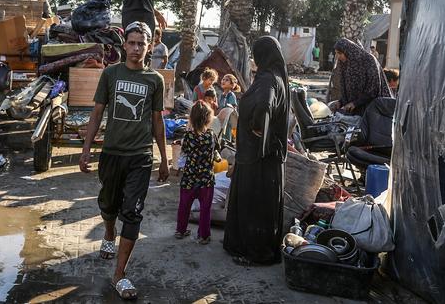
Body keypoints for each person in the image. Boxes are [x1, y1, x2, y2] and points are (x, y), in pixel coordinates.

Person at [79, 21, 168, 300]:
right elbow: (96, 114)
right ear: (124, 44)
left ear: (149, 46)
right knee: (108, 204)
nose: (136, 48)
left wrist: (164, 158)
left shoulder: (155, 80)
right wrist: (86, 148)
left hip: (140, 156)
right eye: (131, 42)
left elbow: (157, 121)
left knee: (133, 212)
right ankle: (108, 233)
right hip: (112, 153)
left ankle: (120, 274)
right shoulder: (110, 74)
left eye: (141, 43)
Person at [224, 36, 290, 266]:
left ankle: (253, 251)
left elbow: (264, 105)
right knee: (263, 204)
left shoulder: (267, 79)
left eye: (255, 54)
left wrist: (256, 127)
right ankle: (258, 248)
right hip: (267, 156)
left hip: (259, 157)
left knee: (254, 203)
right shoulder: (278, 78)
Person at [175, 100, 219, 245]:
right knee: (205, 209)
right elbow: (216, 153)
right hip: (206, 179)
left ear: (191, 118)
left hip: (189, 178)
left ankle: (180, 231)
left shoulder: (188, 136)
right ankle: (204, 236)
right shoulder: (211, 135)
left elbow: (184, 152)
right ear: (208, 118)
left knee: (184, 206)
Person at [330, 38, 391, 116]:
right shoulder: (346, 64)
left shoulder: (368, 60)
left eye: (340, 53)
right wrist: (341, 102)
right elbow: (351, 90)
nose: (338, 56)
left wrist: (355, 103)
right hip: (355, 111)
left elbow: (374, 89)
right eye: (336, 53)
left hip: (375, 111)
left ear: (348, 51)